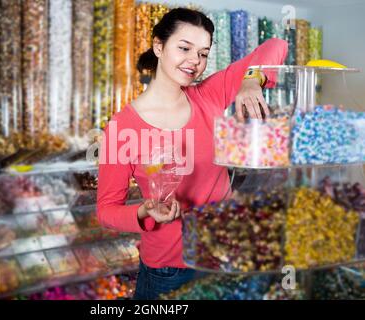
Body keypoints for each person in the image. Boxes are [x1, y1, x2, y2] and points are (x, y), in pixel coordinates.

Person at [97, 7, 288, 300]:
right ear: (158, 46)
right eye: (184, 48)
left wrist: (251, 80)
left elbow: (276, 45)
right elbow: (106, 210)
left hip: (223, 257)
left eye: (203, 53)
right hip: (169, 271)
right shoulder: (121, 127)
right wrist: (145, 211)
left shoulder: (209, 95)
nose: (194, 62)